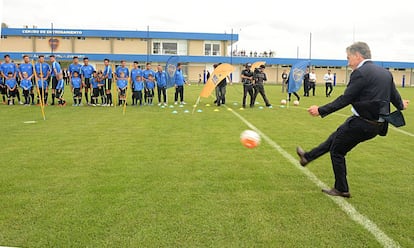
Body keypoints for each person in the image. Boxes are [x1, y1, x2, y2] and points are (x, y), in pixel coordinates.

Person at [296, 41, 410, 198]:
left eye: (348, 57)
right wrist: (401, 105)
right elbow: (395, 97)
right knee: (335, 138)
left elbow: (345, 98)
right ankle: (307, 157)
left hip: (362, 123)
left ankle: (342, 189)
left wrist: (320, 110)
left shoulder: (360, 73)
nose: (348, 62)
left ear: (358, 56)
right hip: (377, 125)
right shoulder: (385, 73)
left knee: (337, 150)